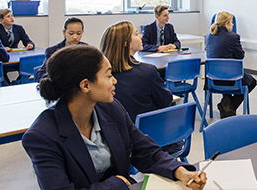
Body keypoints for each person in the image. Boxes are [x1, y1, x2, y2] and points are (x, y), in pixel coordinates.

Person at [22, 45, 206, 190]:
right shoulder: (42, 136)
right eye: (109, 75)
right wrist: (115, 185)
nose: (115, 80)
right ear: (86, 85)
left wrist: (179, 171)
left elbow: (145, 150)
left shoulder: (111, 108)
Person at [100, 21, 173, 123]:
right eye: (136, 34)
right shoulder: (148, 72)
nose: (140, 36)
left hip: (113, 132)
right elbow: (165, 100)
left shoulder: (99, 76)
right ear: (127, 43)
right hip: (144, 132)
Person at [204, 11, 257, 118]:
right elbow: (240, 56)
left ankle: (226, 104)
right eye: (231, 22)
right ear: (226, 23)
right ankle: (228, 107)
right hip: (231, 79)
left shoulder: (208, 36)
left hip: (212, 79)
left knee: (225, 75)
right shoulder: (233, 37)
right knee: (252, 82)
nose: (233, 25)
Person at [35, 17, 87, 82]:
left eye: (79, 33)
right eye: (71, 33)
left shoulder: (86, 49)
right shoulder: (53, 51)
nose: (75, 37)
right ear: (64, 33)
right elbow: (41, 74)